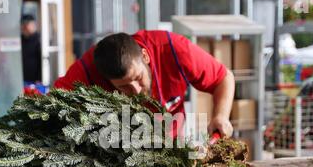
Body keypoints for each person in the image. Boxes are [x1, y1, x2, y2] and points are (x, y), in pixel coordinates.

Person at [54, 30, 235, 138]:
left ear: (146, 56)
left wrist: (221, 116)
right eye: (124, 87)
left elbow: (224, 78)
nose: (137, 91)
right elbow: (52, 103)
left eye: (138, 77)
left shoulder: (174, 50)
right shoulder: (87, 71)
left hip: (170, 144)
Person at [21, 14, 42, 83]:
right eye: (23, 25)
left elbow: (41, 61)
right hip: (22, 79)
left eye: (27, 24)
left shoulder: (39, 40)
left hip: (35, 81)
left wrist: (39, 78)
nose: (25, 27)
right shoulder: (20, 40)